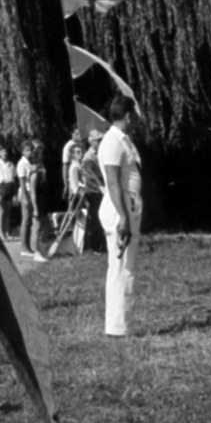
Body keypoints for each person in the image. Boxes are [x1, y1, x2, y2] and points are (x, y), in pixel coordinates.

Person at [98, 96, 143, 335]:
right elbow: (113, 182)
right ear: (127, 116)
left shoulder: (122, 140)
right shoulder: (112, 142)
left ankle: (120, 324)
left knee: (124, 265)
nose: (136, 119)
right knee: (121, 267)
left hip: (128, 203)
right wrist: (123, 218)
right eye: (134, 115)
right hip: (120, 207)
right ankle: (118, 327)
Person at [17, 140, 44, 259]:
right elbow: (22, 182)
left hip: (30, 191)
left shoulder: (29, 163)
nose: (29, 152)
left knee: (28, 220)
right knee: (26, 220)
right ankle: (24, 247)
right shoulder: (22, 164)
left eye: (30, 150)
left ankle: (27, 246)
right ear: (22, 152)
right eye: (27, 150)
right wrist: (25, 198)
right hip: (26, 192)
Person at [80, 132, 104, 253]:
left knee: (101, 218)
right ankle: (94, 246)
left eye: (101, 139)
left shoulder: (101, 153)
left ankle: (100, 244)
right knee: (94, 219)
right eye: (98, 140)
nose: (100, 142)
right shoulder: (89, 157)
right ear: (91, 141)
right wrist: (100, 188)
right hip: (93, 191)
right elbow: (90, 177)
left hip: (100, 190)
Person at [0, 145, 17, 242]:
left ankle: (7, 232)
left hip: (9, 187)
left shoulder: (11, 164)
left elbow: (14, 179)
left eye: (6, 151)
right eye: (2, 152)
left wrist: (14, 193)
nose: (5, 153)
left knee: (7, 212)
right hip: (1, 187)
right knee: (1, 212)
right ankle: (1, 233)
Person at [61, 127, 82, 199]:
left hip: (80, 176)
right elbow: (65, 166)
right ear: (72, 133)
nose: (79, 136)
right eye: (77, 134)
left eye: (80, 133)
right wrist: (66, 185)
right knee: (73, 202)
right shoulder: (68, 146)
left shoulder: (81, 145)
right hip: (72, 180)